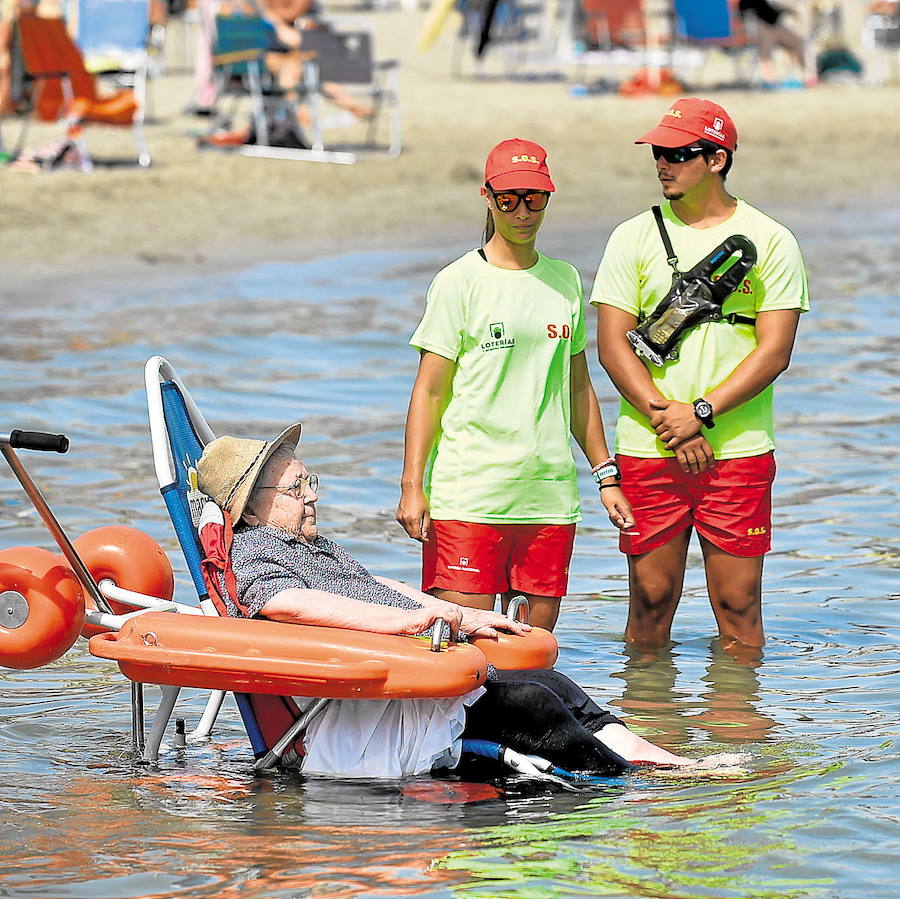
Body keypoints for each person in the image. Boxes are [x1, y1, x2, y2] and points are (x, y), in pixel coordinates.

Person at [195, 425, 716, 779]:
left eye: (310, 481)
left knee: (553, 684)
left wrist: (462, 614)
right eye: (297, 487)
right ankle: (627, 785)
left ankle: (662, 766)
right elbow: (282, 602)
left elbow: (373, 584)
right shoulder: (255, 548)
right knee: (530, 704)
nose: (312, 495)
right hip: (363, 708)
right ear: (253, 506)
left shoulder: (308, 544)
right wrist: (408, 623)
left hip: (404, 680)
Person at [590, 98, 809, 657]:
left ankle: (740, 736)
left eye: (678, 154)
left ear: (717, 158)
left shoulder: (773, 239)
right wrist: (671, 420)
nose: (662, 164)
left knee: (738, 606)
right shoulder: (631, 236)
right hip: (650, 444)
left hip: (738, 448)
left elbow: (775, 349)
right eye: (658, 154)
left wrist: (702, 414)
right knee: (650, 600)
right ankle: (647, 734)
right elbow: (612, 346)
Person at [396, 138, 634, 633]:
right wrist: (412, 486)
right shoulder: (458, 281)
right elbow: (429, 392)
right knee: (463, 655)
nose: (521, 211)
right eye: (508, 199)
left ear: (548, 197)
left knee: (531, 659)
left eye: (534, 197)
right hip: (470, 495)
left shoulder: (566, 280)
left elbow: (577, 387)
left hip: (548, 498)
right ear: (487, 197)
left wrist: (605, 474)